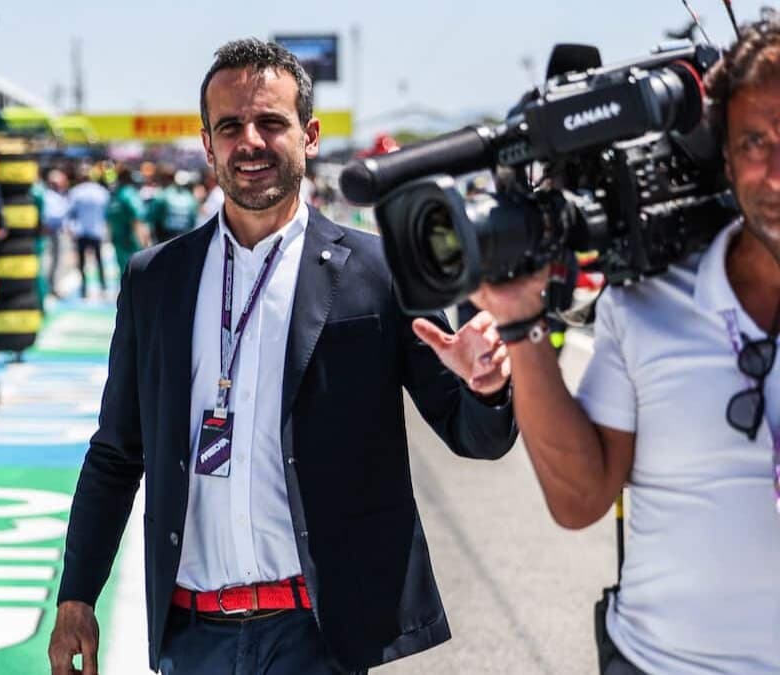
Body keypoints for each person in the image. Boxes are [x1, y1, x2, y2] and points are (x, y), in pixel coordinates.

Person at [49, 38, 519, 675]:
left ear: (310, 135)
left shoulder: (380, 274)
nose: (250, 141)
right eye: (230, 126)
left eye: (271, 122)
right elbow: (115, 451)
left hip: (319, 636)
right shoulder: (155, 279)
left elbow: (475, 436)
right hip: (192, 637)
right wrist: (77, 596)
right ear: (207, 143)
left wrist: (488, 388)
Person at [459, 11, 780, 674]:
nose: (775, 173)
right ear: (723, 155)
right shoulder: (646, 303)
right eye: (755, 142)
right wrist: (520, 327)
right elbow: (579, 501)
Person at [66, 164, 111, 299]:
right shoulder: (101, 191)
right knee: (98, 260)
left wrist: (71, 228)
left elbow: (70, 213)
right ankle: (103, 287)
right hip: (96, 230)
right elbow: (106, 211)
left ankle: (84, 289)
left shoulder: (76, 192)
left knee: (82, 262)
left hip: (81, 231)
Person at [106, 166, 150, 276]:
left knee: (124, 274)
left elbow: (109, 221)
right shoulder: (130, 194)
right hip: (131, 242)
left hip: (118, 240)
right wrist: (145, 242)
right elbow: (138, 218)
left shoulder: (115, 196)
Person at [147, 163, 199, 243]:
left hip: (166, 237)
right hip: (185, 236)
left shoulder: (162, 195)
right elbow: (193, 220)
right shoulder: (190, 197)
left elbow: (152, 217)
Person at [41, 168, 71, 297]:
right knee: (49, 261)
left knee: (58, 261)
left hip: (58, 232)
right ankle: (48, 287)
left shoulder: (60, 196)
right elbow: (50, 215)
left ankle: (52, 286)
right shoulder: (48, 196)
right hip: (50, 232)